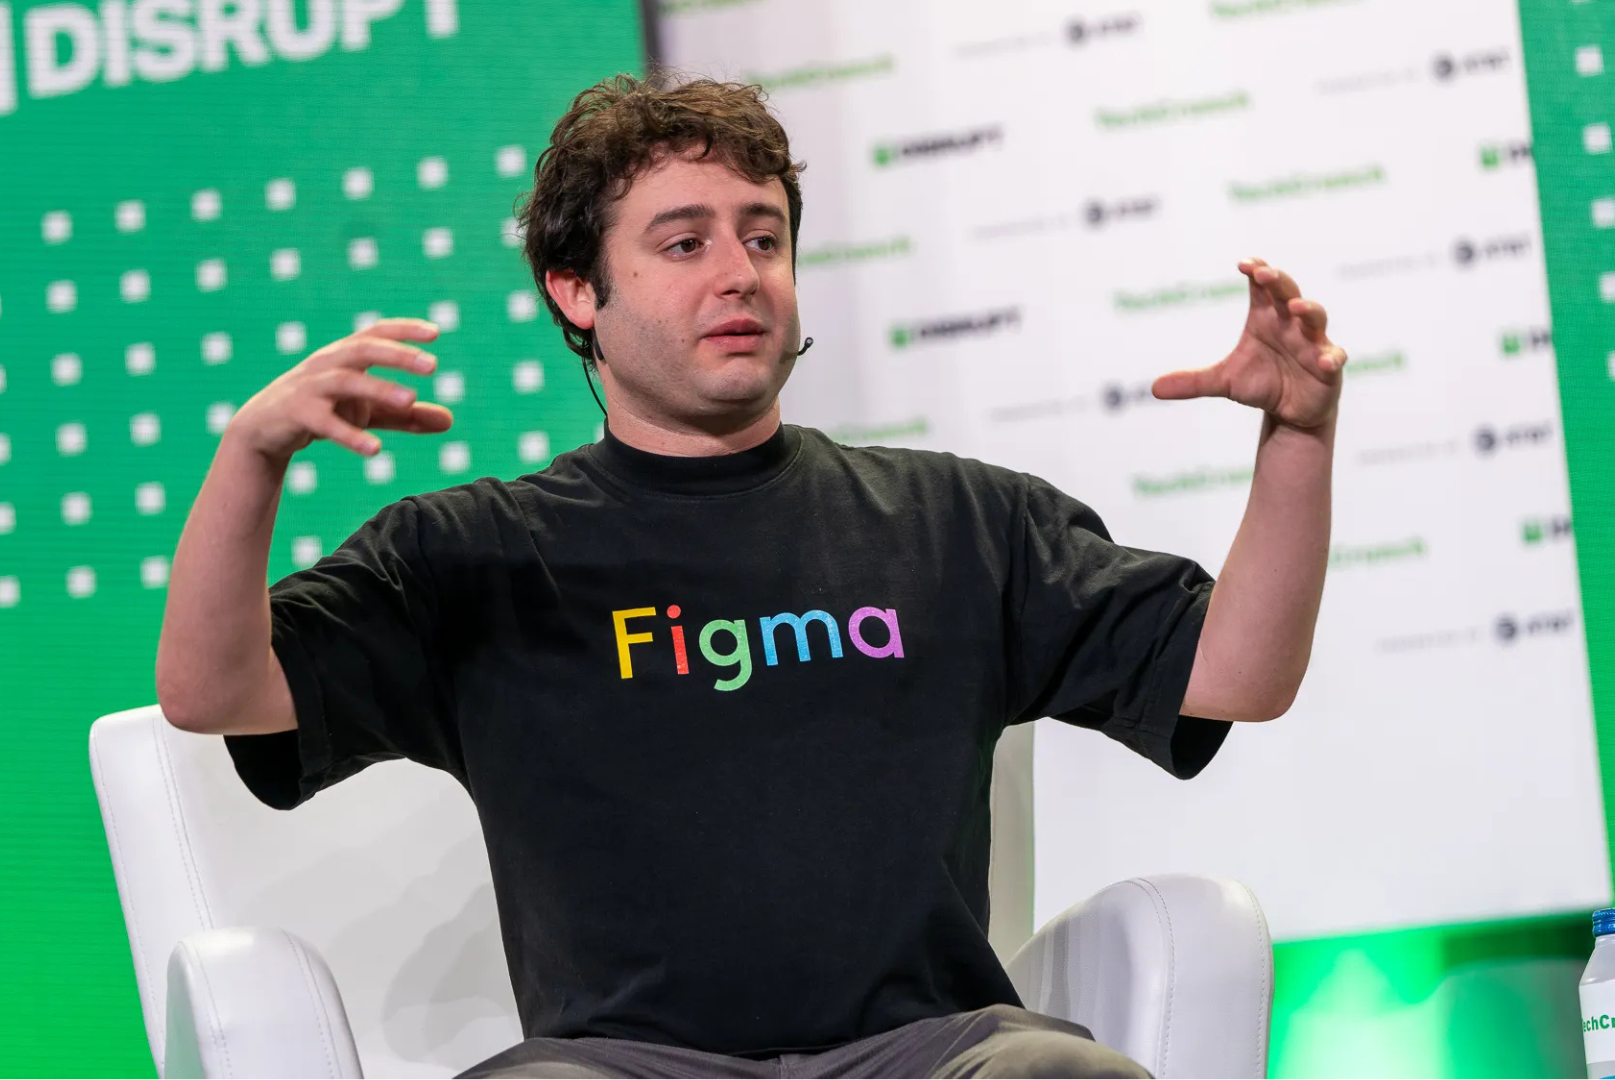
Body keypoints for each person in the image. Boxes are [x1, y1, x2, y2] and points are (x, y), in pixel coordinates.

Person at [155, 74, 1343, 1079]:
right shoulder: (475, 556)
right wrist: (251, 457)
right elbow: (211, 691)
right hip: (619, 1066)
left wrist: (1297, 437)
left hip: (932, 1053)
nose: (741, 273)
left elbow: (1236, 674)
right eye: (685, 244)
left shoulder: (960, 521)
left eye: (764, 238)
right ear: (577, 289)